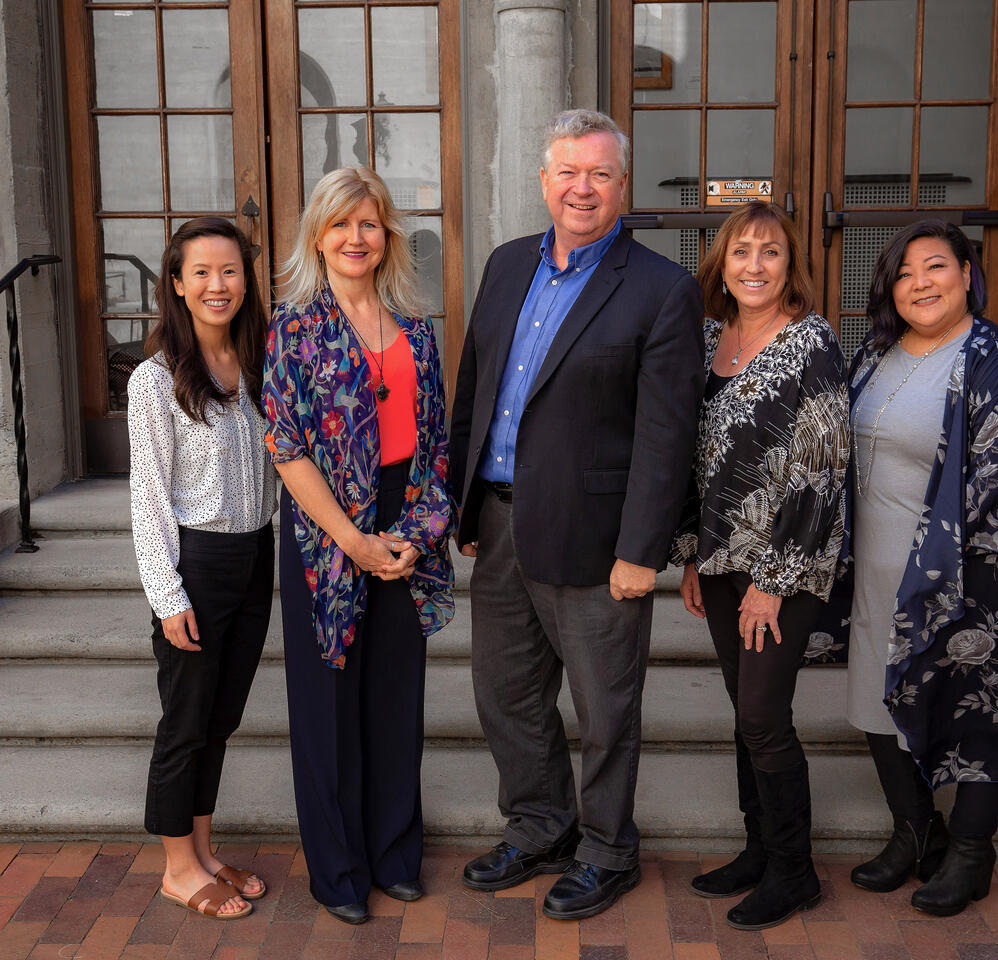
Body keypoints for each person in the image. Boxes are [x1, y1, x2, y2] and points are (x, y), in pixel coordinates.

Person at [449, 109, 705, 921]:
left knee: (604, 707)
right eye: (567, 172)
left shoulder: (662, 289)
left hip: (599, 543)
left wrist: (643, 549)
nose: (581, 189)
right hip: (497, 523)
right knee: (507, 695)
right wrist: (461, 505)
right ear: (544, 180)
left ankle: (605, 850)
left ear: (621, 184)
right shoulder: (504, 266)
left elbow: (668, 436)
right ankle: (539, 825)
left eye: (598, 174)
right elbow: (473, 391)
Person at [835, 219, 998, 916]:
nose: (921, 282)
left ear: (968, 275)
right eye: (906, 272)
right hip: (879, 569)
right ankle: (916, 834)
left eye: (936, 266)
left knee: (985, 709)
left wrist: (946, 572)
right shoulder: (876, 353)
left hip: (976, 573)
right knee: (875, 697)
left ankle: (972, 852)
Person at [263, 166, 455, 925]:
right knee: (329, 702)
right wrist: (352, 541)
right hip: (324, 532)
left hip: (404, 521)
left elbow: (437, 441)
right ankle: (338, 869)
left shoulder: (416, 328)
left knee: (394, 697)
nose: (355, 238)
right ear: (318, 234)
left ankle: (395, 854)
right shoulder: (294, 325)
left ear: (387, 238)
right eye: (341, 224)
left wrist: (409, 537)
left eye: (369, 224)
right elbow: (286, 447)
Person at [671, 202, 850, 931]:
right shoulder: (711, 337)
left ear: (789, 263)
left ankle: (795, 872)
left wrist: (772, 585)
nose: (753, 264)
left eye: (769, 252)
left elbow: (823, 467)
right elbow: (692, 456)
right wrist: (691, 556)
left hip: (784, 564)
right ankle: (758, 851)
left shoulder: (813, 343)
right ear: (721, 262)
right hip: (717, 563)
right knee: (746, 715)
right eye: (740, 251)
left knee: (763, 716)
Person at [128, 218, 274, 920]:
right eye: (203, 273)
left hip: (254, 555)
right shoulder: (156, 382)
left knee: (221, 718)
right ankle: (177, 868)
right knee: (184, 721)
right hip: (198, 563)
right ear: (179, 285)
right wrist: (167, 594)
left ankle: (205, 850)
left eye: (231, 271)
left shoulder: (256, 365)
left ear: (246, 282)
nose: (219, 285)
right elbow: (147, 502)